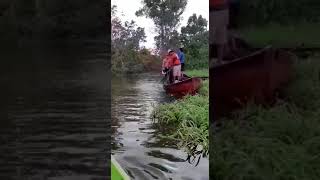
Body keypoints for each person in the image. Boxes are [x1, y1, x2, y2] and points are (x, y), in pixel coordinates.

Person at [209, 0, 229, 66]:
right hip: (212, 11)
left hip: (223, 10)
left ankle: (219, 61)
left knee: (221, 39)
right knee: (210, 40)